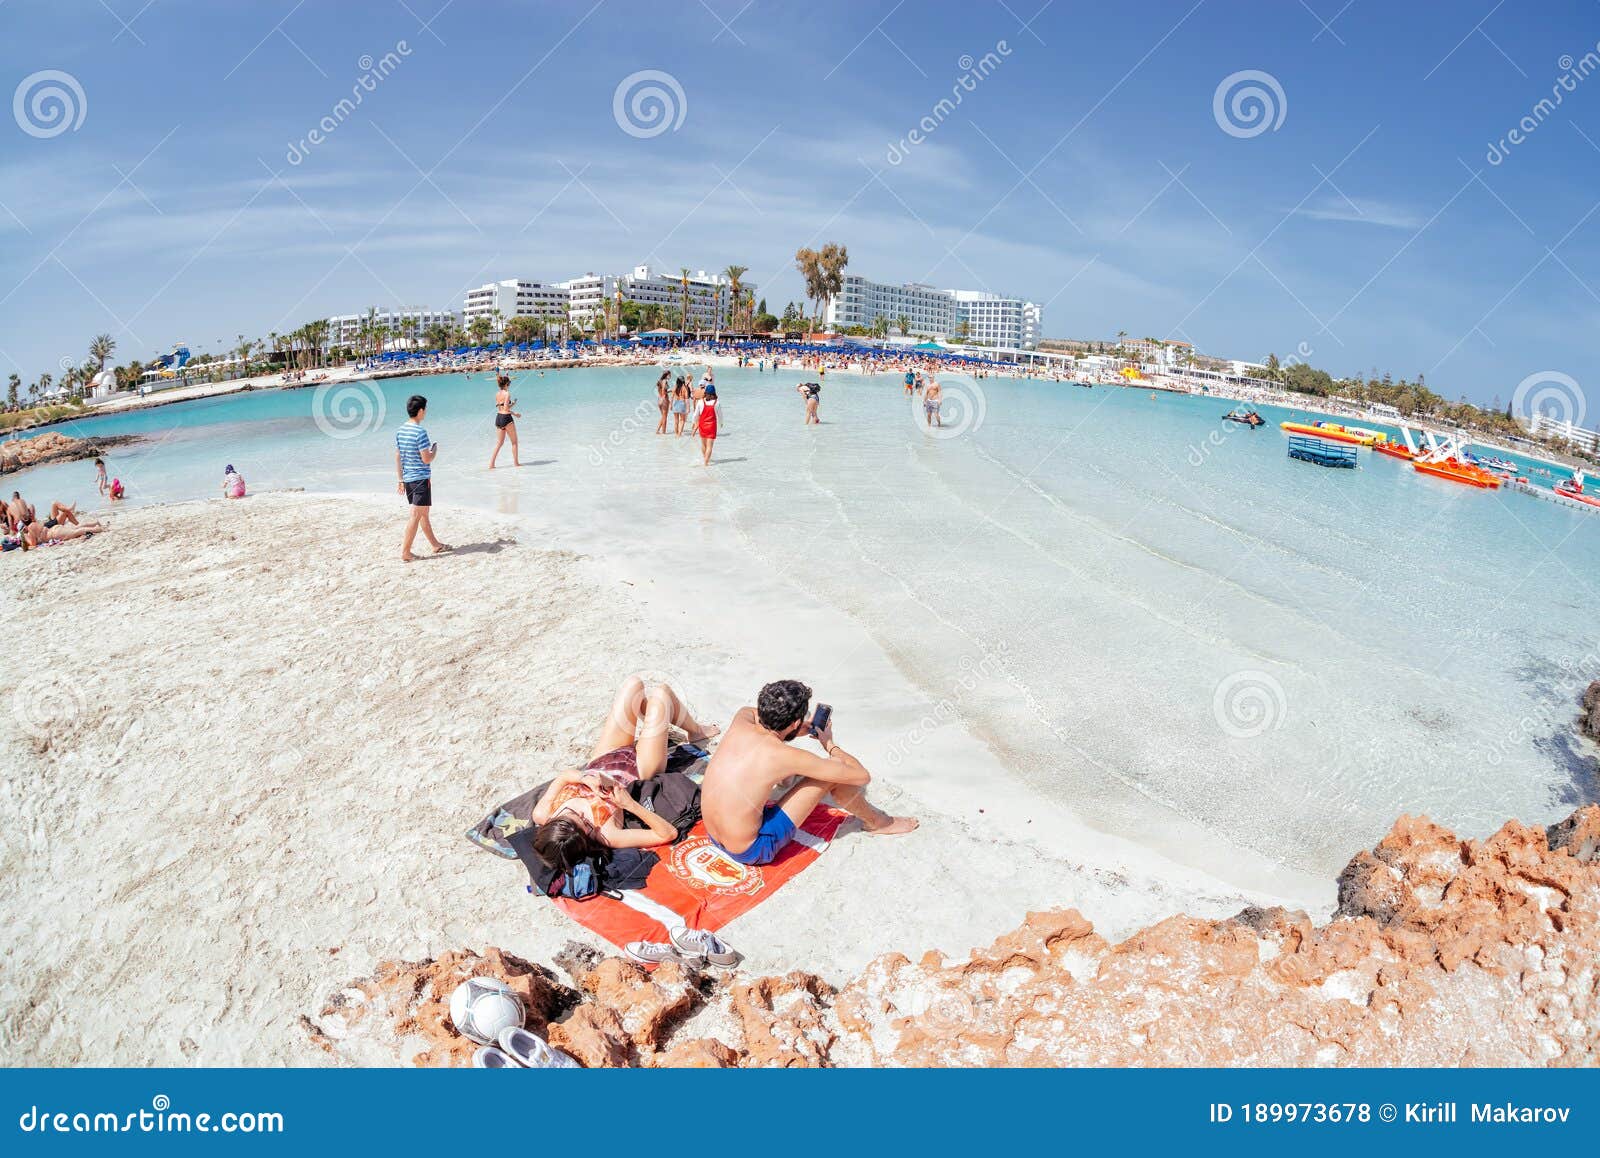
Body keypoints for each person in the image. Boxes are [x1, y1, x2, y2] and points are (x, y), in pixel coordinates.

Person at [701, 679, 916, 866]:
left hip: (714, 834)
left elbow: (755, 714)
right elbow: (860, 775)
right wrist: (829, 743)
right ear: (795, 722)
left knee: (770, 772)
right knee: (829, 776)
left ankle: (786, 766)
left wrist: (796, 727)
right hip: (751, 851)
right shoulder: (784, 756)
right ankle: (878, 823)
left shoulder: (742, 719)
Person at [530, 676, 720, 873]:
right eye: (584, 822)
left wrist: (583, 778)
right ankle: (694, 731)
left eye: (571, 813)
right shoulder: (606, 834)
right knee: (661, 694)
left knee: (633, 686)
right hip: (638, 768)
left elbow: (564, 777)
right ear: (585, 837)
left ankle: (656, 724)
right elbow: (667, 834)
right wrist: (628, 803)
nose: (580, 812)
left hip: (603, 759)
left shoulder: (542, 813)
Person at [395, 394, 450, 563]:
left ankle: (435, 544)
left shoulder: (400, 430)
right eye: (425, 410)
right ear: (420, 411)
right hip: (420, 480)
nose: (425, 412)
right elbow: (426, 458)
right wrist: (435, 451)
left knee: (423, 513)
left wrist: (400, 479)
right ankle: (405, 552)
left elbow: (398, 456)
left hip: (409, 480)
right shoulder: (420, 432)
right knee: (416, 515)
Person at [489, 374, 521, 469]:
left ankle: (491, 464)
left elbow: (502, 408)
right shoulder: (507, 394)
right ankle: (516, 463)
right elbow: (506, 409)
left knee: (499, 443)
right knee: (514, 442)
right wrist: (515, 414)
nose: (509, 385)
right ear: (506, 384)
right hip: (506, 418)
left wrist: (513, 404)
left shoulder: (497, 394)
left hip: (498, 418)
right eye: (509, 383)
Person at [697, 383, 719, 466]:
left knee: (703, 444)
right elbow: (720, 415)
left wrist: (694, 422)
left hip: (702, 425)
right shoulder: (716, 403)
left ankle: (705, 458)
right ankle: (706, 463)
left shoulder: (700, 402)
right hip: (712, 426)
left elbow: (696, 415)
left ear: (705, 392)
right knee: (710, 446)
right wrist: (721, 423)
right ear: (714, 393)